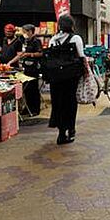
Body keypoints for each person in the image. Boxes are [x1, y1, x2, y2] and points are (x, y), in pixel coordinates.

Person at [47, 15, 85, 144]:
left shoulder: (53, 39)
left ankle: (61, 133)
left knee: (58, 103)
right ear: (72, 25)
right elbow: (81, 55)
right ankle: (71, 129)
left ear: (59, 26)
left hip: (55, 77)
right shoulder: (76, 38)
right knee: (70, 103)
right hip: (70, 76)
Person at [11, 24, 43, 116]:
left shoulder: (36, 41)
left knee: (33, 88)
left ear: (30, 31)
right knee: (26, 89)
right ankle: (27, 107)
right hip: (26, 67)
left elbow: (40, 53)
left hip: (34, 68)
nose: (24, 34)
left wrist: (29, 54)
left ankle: (35, 109)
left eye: (25, 32)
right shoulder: (25, 41)